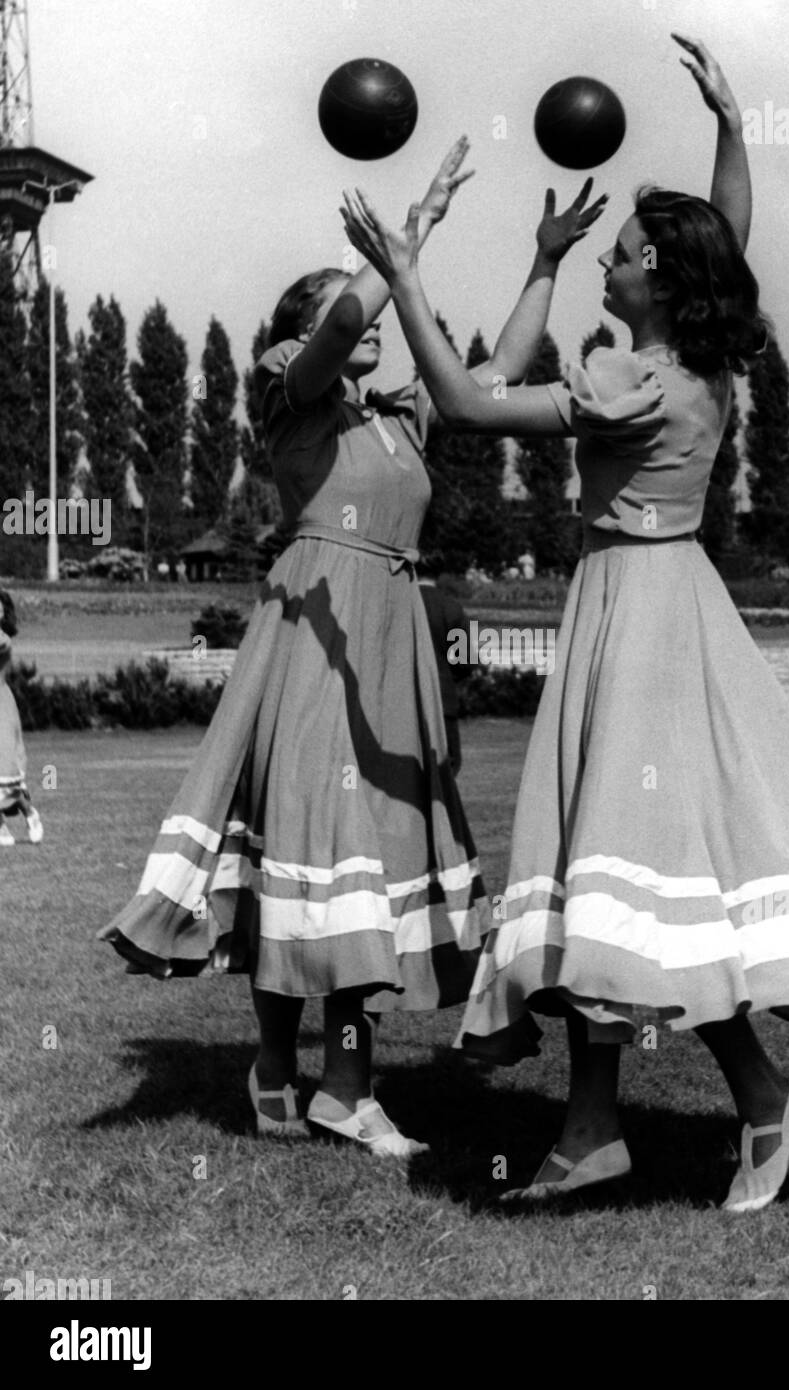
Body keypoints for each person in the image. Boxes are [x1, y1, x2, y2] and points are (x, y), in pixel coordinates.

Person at [341, 35, 789, 1210]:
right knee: (615, 882)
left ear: (656, 281)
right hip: (673, 607)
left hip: (633, 618)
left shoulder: (629, 382)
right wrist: (728, 132)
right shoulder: (705, 363)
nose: (606, 262)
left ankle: (756, 1104)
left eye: (617, 255)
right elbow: (726, 240)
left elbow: (462, 403)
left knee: (617, 871)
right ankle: (589, 1127)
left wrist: (405, 273)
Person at [100, 140, 607, 1155]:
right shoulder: (290, 392)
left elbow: (499, 370)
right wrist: (406, 235)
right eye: (349, 298)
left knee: (348, 866)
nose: (369, 317)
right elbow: (341, 323)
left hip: (389, 640)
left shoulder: (399, 416)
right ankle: (319, 1076)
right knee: (321, 848)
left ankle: (311, 1076)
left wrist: (543, 260)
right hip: (311, 640)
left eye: (369, 294)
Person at [417, 561, 474, 774]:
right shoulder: (450, 607)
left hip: (404, 700)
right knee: (447, 768)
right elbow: (465, 661)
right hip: (443, 698)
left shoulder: (398, 605)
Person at [0, 610, 44, 847]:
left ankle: (30, 814)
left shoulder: (4, 641)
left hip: (1, 707)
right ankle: (0, 827)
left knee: (5, 771)